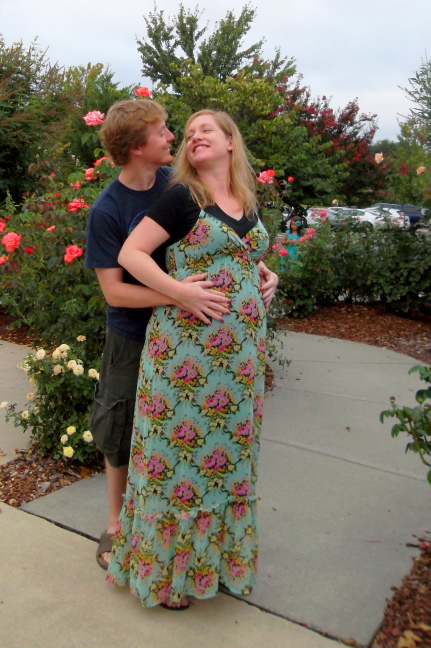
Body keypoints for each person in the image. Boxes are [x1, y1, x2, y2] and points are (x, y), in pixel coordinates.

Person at [85, 100, 278, 571]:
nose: (177, 137)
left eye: (194, 130)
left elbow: (223, 242)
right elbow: (116, 287)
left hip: (228, 352)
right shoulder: (116, 208)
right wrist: (178, 296)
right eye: (168, 131)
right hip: (147, 330)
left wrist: (259, 271)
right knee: (127, 430)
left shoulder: (191, 185)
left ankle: (216, 555)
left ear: (230, 142)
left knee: (217, 452)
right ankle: (119, 527)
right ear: (137, 147)